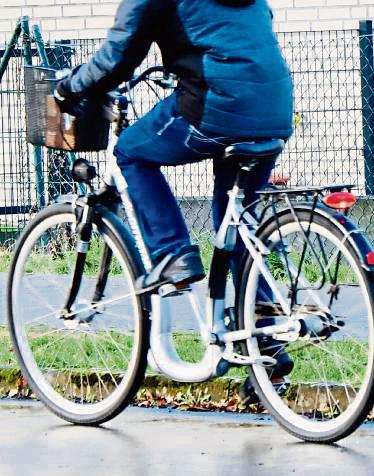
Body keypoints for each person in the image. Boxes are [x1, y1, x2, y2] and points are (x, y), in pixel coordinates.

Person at [56, 0, 294, 396]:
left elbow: (119, 57)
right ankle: (265, 339)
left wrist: (70, 86)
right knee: (235, 225)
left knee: (130, 151)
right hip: (273, 108)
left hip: (216, 106)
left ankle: (172, 254)